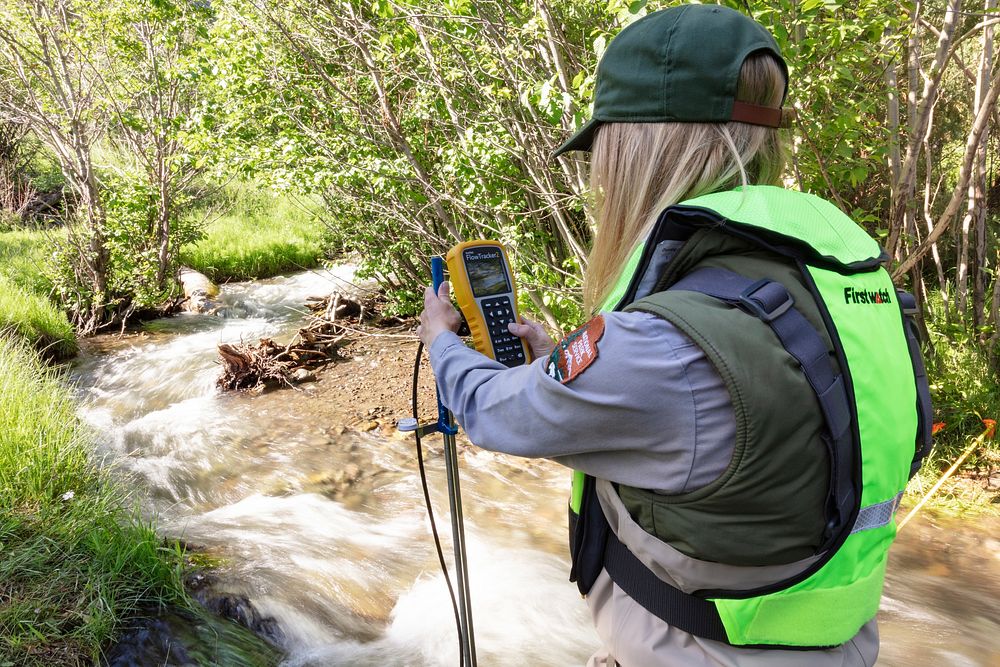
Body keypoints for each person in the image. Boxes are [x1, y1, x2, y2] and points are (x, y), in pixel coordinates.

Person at [417, 4, 930, 666]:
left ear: (638, 150)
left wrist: (442, 342)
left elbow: (496, 412)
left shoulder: (662, 348)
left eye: (604, 154)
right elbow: (726, 440)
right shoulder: (839, 283)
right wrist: (557, 361)